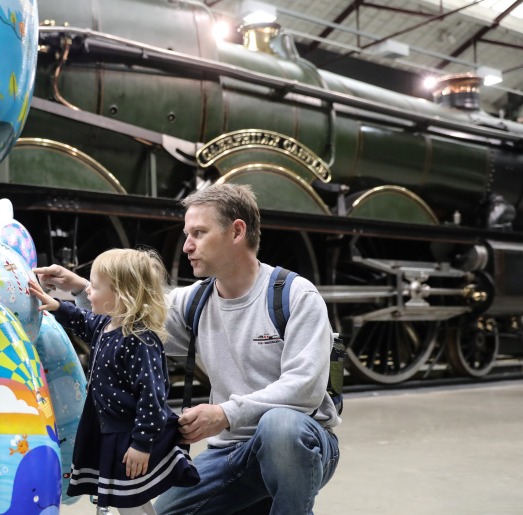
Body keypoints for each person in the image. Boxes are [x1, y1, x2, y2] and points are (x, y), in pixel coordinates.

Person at [34, 183, 341, 514]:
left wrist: (225, 413)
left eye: (198, 233)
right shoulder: (195, 300)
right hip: (228, 452)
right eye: (186, 234)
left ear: (237, 231)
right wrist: (83, 287)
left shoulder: (294, 296)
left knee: (280, 426)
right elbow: (131, 314)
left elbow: (305, 387)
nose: (186, 246)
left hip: (300, 444)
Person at [28, 248, 200, 515]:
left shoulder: (140, 339)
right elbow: (84, 320)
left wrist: (142, 444)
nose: (88, 291)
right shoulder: (107, 326)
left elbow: (152, 397)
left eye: (95, 287)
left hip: (128, 435)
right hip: (110, 431)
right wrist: (59, 307)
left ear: (122, 295)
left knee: (127, 501)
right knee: (124, 499)